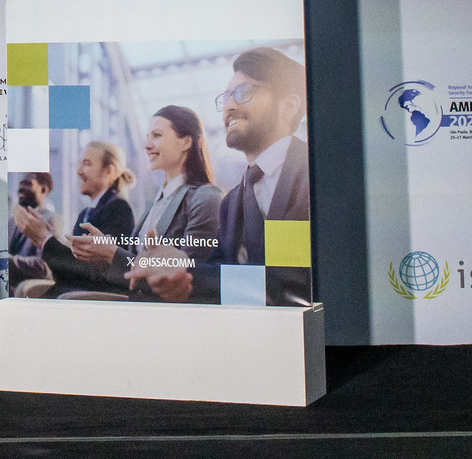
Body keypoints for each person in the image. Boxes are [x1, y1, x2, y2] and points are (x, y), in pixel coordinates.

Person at [142, 47, 311, 305]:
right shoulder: (231, 202)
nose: (229, 107)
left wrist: (189, 274)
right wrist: (181, 270)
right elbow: (221, 270)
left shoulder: (309, 175)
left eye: (244, 93)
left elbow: (287, 280)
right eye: (227, 97)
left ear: (288, 106)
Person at [121, 106, 225, 300]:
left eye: (157, 135)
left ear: (186, 142)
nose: (147, 145)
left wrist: (111, 254)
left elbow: (188, 274)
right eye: (147, 137)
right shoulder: (157, 202)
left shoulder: (206, 197)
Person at [35, 141, 136, 295]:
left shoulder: (118, 208)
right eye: (79, 164)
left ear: (109, 171)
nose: (78, 171)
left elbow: (97, 273)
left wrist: (45, 239)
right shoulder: (85, 213)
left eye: (87, 163)